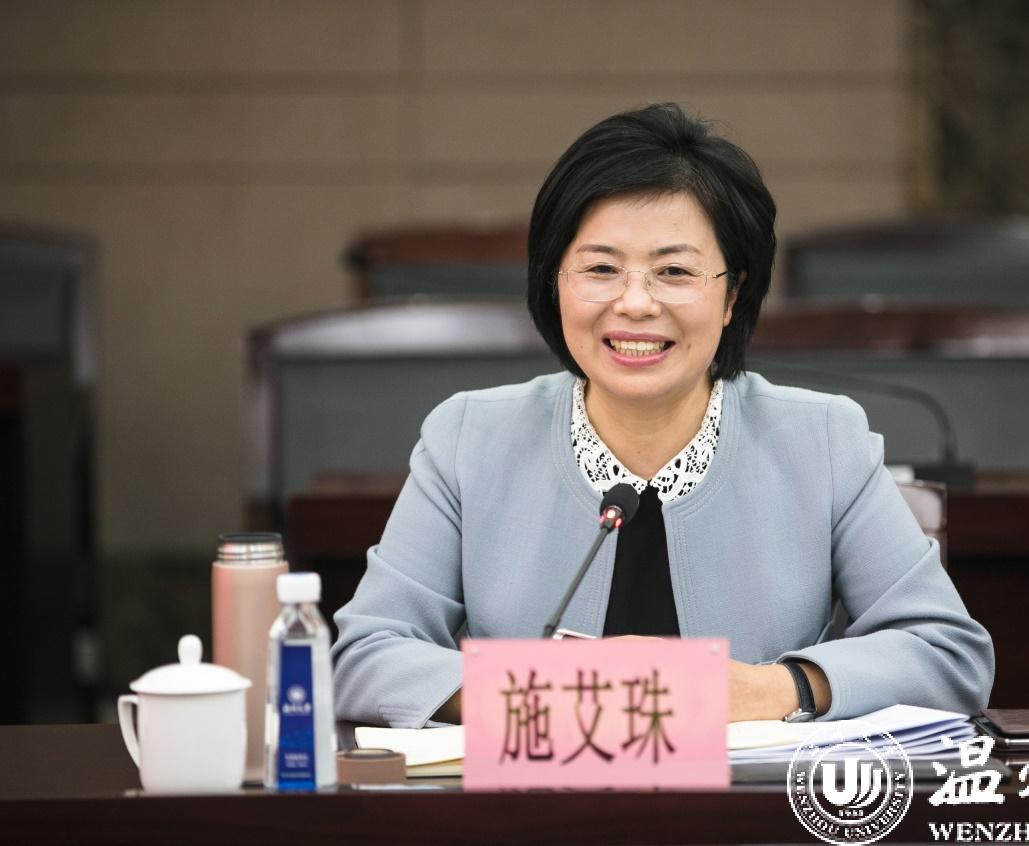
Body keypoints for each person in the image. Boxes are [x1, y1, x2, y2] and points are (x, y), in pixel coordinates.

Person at [331, 103, 993, 727]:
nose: (636, 303)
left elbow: (946, 653)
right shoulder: (469, 438)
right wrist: (551, 696)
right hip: (535, 799)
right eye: (600, 269)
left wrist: (771, 689)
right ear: (554, 283)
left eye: (673, 272)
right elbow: (365, 656)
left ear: (732, 295)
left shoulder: (822, 440)